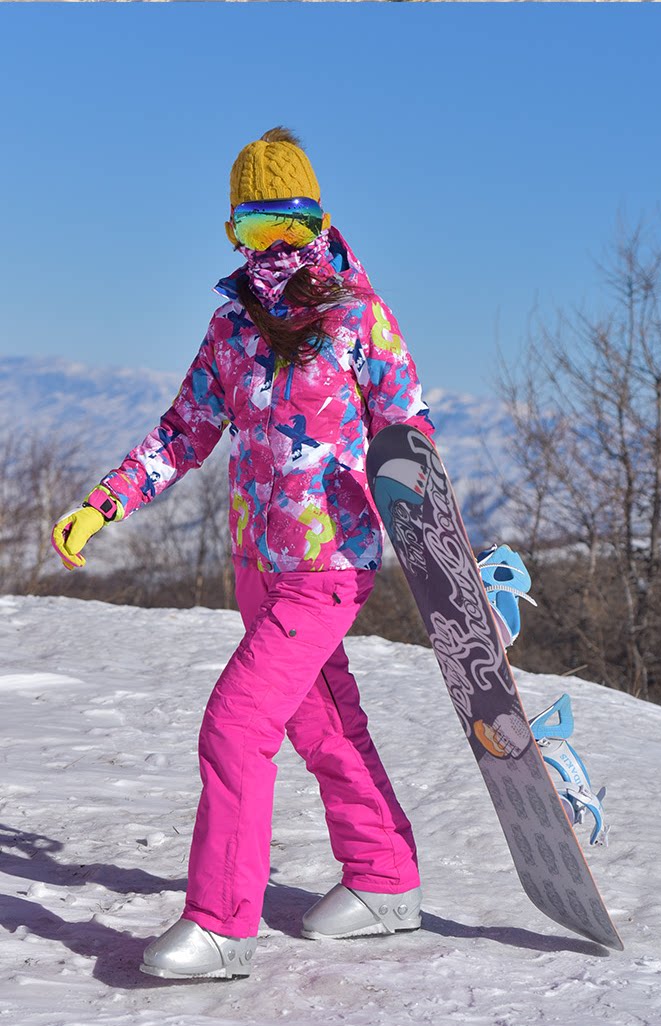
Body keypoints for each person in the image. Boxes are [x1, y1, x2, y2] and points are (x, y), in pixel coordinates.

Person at [51, 127, 435, 980]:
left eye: (288, 226)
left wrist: (416, 502)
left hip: (331, 564)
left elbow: (405, 424)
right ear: (234, 232)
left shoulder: (358, 317)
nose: (274, 247)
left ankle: (224, 923)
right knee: (323, 722)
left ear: (319, 221)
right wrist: (104, 501)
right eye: (254, 228)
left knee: (235, 724)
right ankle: (386, 876)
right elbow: (185, 429)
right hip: (257, 565)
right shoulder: (232, 323)